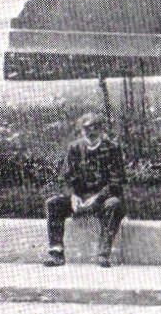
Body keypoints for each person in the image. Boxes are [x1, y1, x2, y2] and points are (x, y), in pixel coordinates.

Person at [44, 114, 127, 268]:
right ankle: (56, 252)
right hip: (79, 198)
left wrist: (97, 198)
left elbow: (117, 181)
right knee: (53, 203)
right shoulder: (75, 148)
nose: (91, 132)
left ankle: (103, 253)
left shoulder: (112, 149)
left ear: (102, 130)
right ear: (82, 130)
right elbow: (66, 177)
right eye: (87, 129)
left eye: (96, 128)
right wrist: (73, 196)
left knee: (114, 204)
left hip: (102, 199)